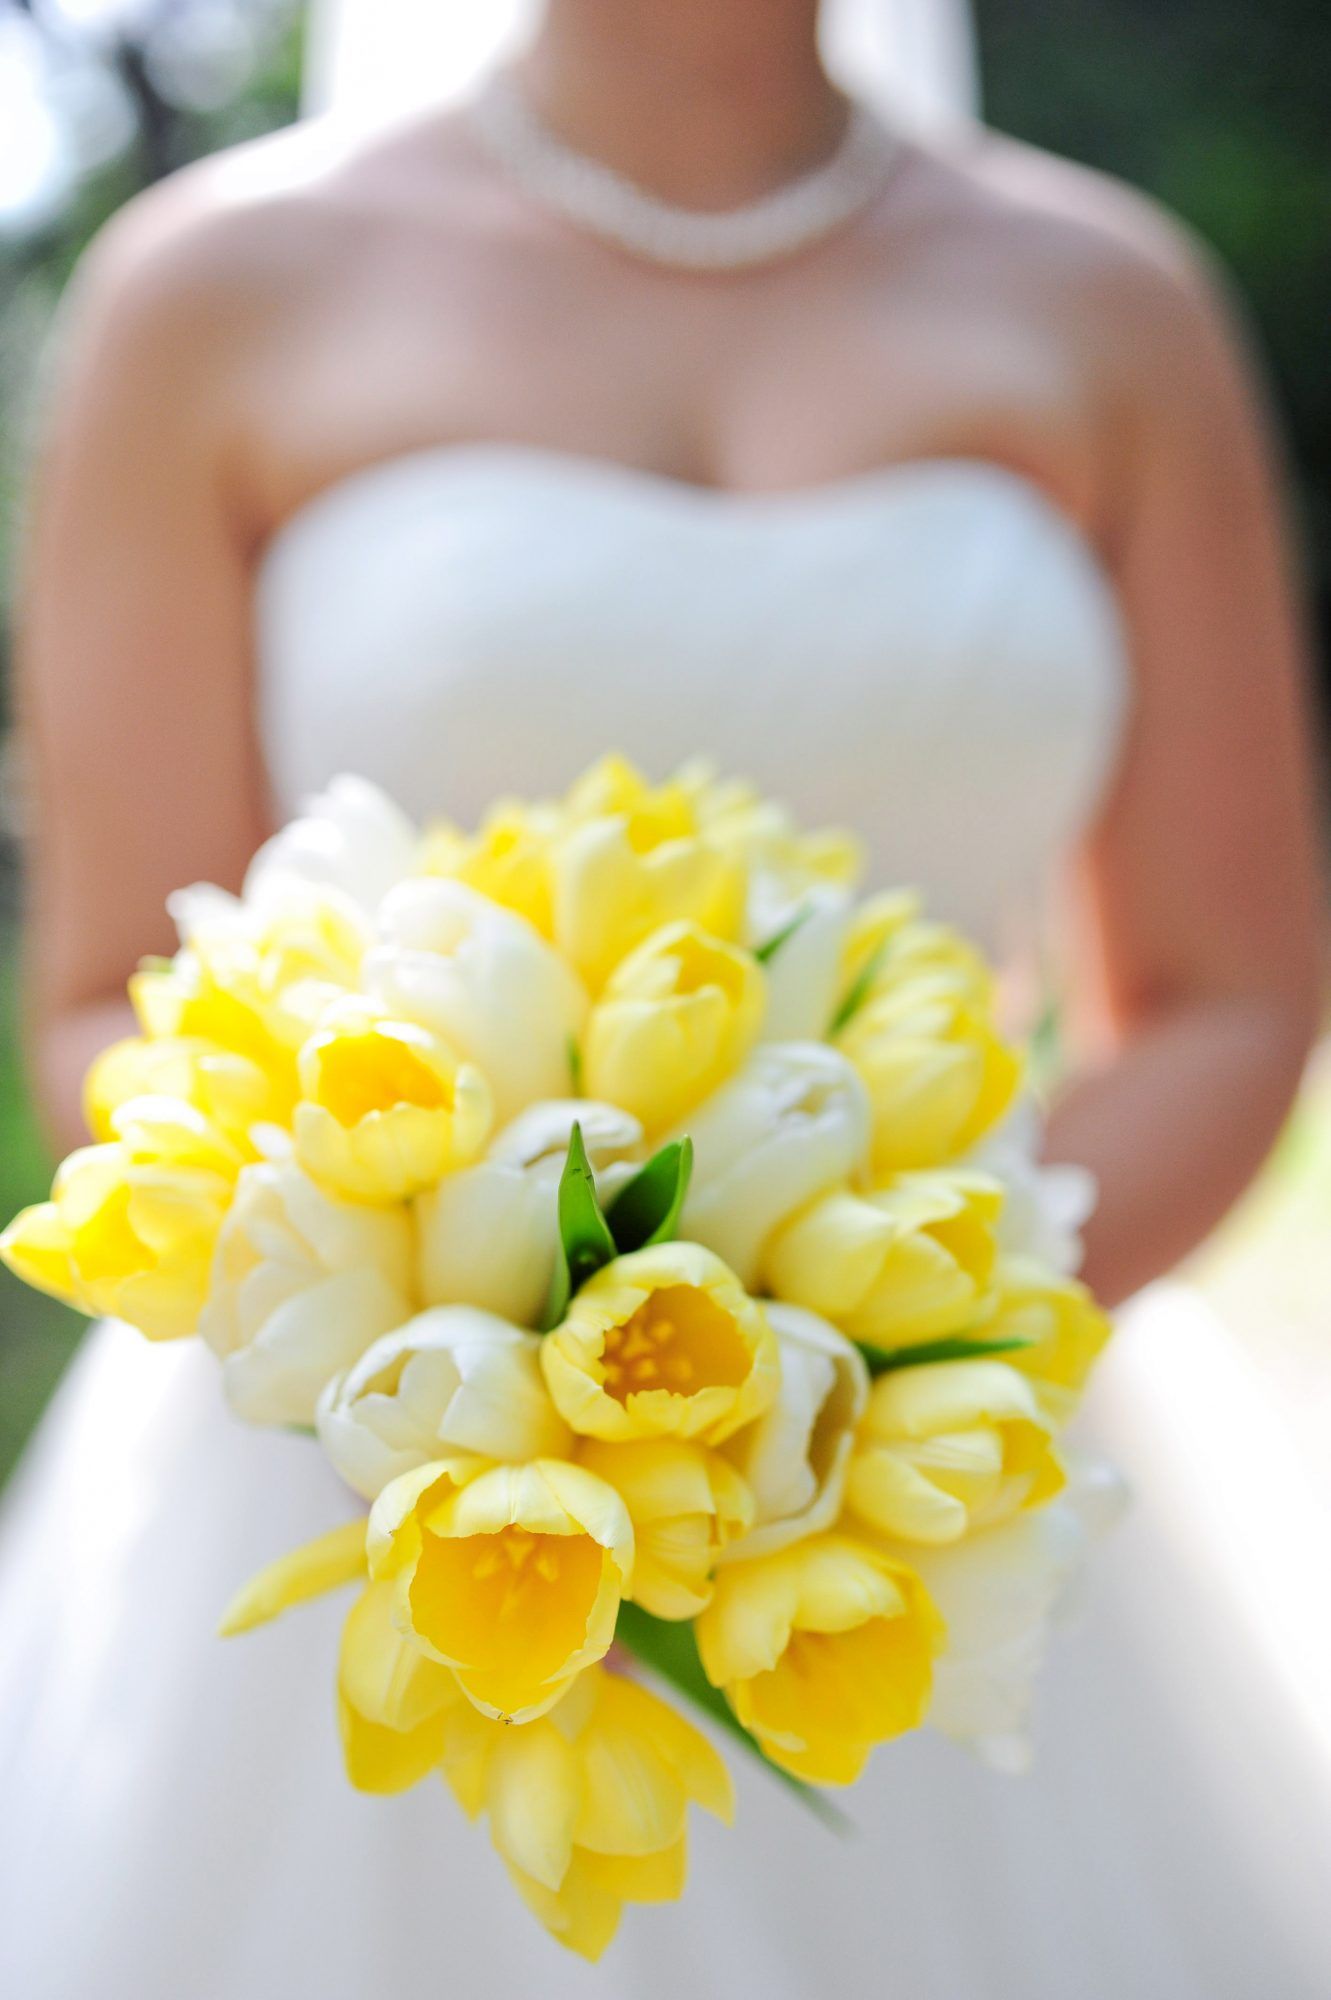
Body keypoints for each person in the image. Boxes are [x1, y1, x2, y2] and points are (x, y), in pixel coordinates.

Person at [0, 2, 1326, 1994]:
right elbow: (112, 992)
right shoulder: (214, 288)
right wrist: (466, 1354)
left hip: (944, 1467)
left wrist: (854, 1370)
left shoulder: (1112, 305)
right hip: (382, 1460)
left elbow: (1229, 991)